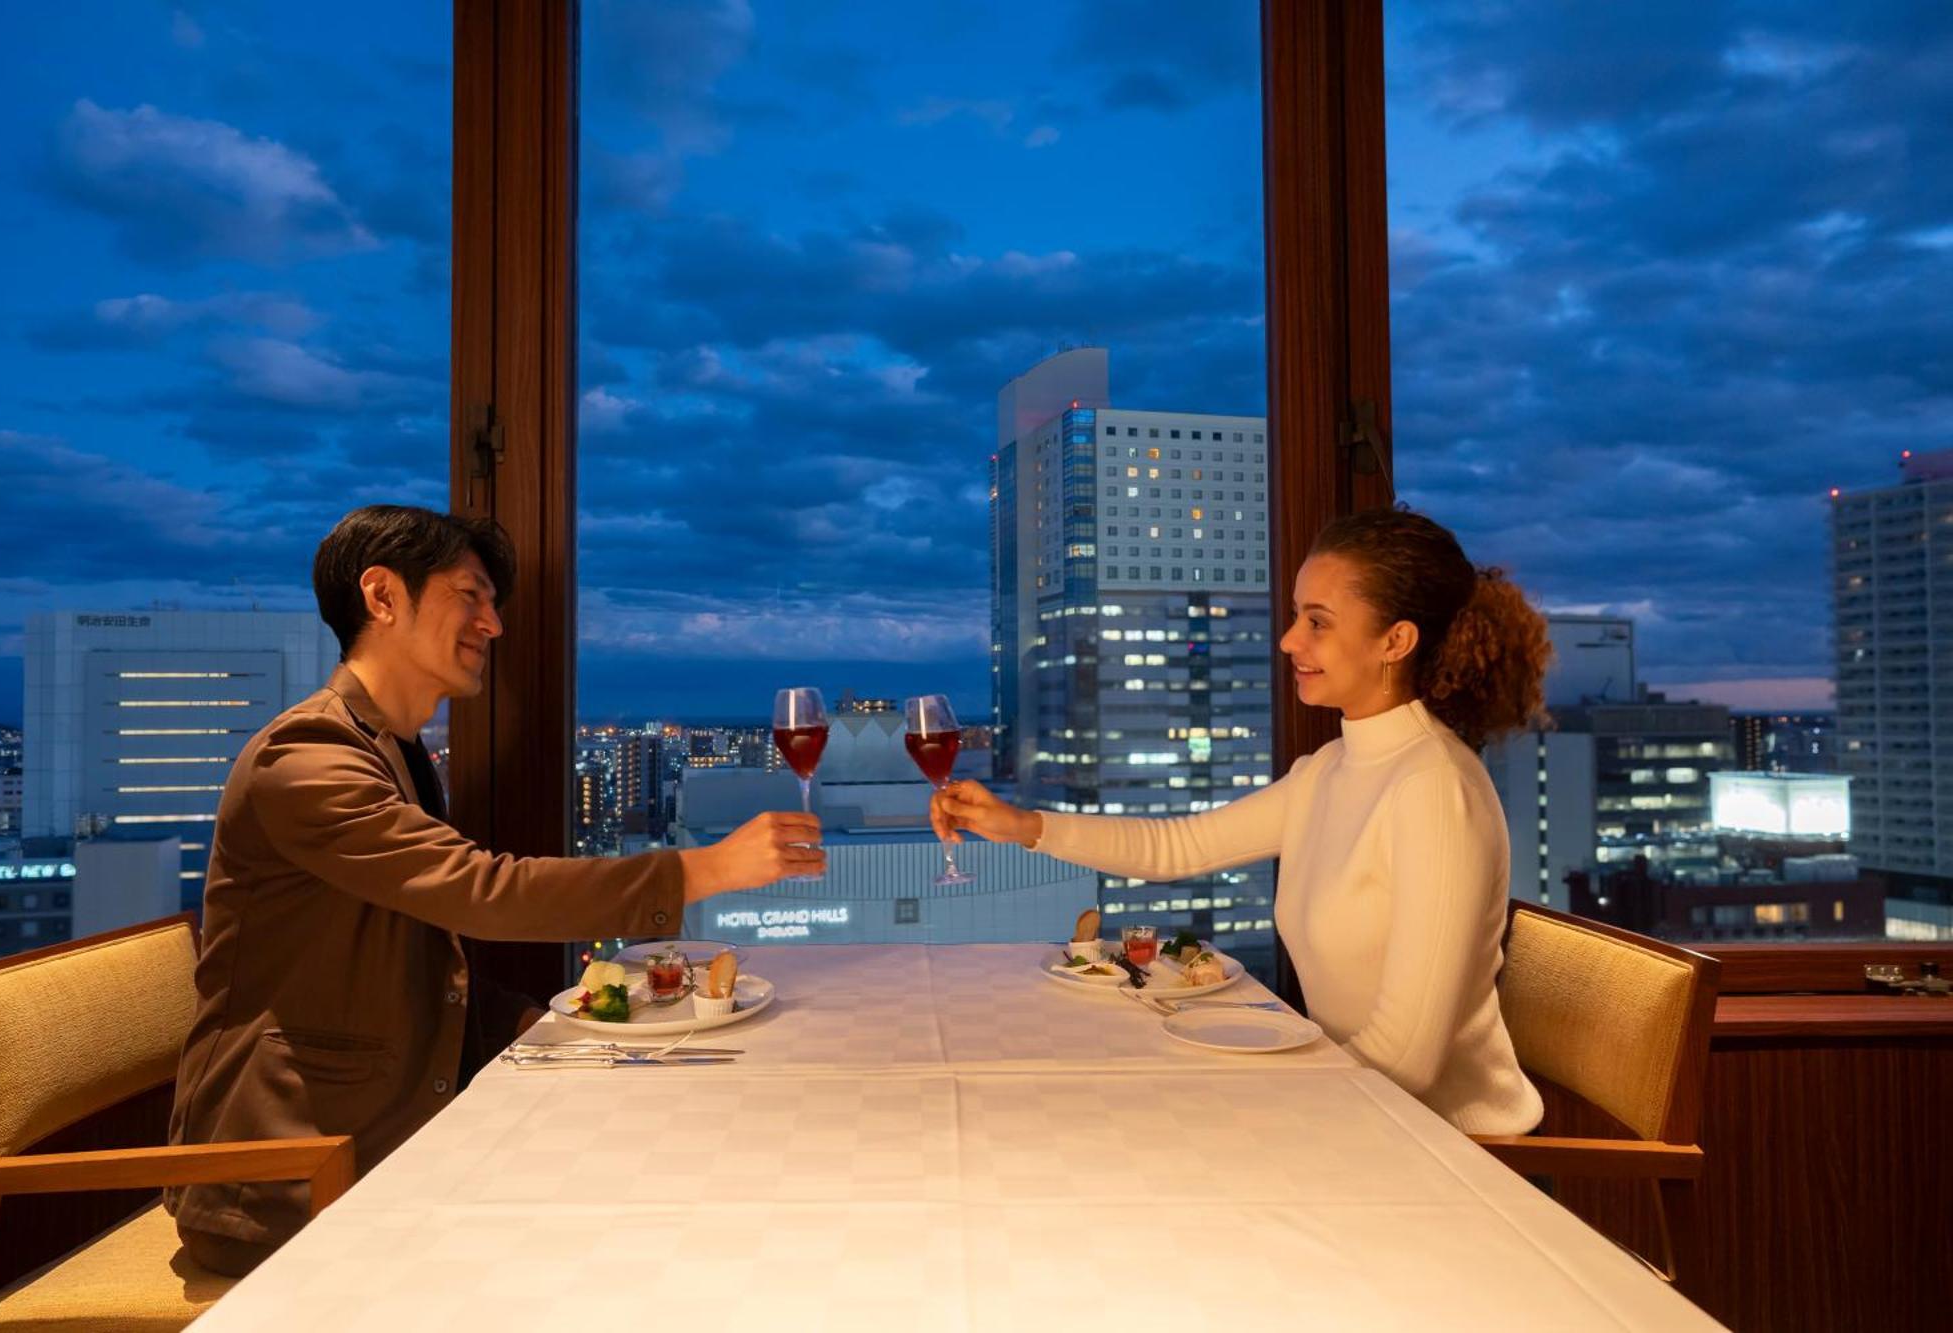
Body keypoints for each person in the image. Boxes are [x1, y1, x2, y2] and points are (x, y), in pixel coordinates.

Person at [166, 506, 822, 1275]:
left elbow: (415, 961)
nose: (494, 624)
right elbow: (479, 890)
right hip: (293, 1179)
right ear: (382, 597)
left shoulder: (394, 755)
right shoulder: (306, 756)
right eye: (469, 595)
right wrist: (705, 869)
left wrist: (547, 1025)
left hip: (377, 1142)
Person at [934, 506, 1550, 1135]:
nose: (1289, 641)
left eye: (1318, 622)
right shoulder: (1333, 768)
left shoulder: (1433, 789)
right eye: (1295, 616)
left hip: (1449, 1148)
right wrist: (1020, 825)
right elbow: (1180, 847)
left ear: (1395, 640)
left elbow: (1405, 1062)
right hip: (1353, 1107)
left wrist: (1260, 1109)